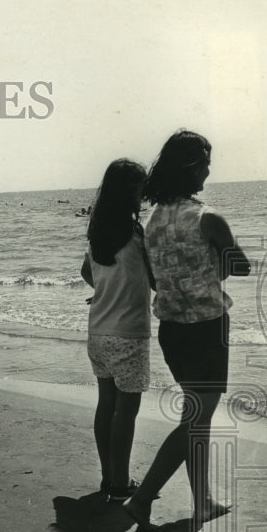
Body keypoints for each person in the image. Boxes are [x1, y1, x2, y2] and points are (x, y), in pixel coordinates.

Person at [123, 129, 251, 530]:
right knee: (197, 419)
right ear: (193, 167)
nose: (208, 173)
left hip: (173, 331)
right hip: (207, 328)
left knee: (196, 417)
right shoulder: (208, 218)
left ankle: (203, 502)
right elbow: (241, 266)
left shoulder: (151, 220)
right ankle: (142, 499)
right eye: (206, 164)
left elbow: (158, 281)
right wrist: (213, 265)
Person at [80, 159, 153, 502]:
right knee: (127, 410)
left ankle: (109, 477)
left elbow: (86, 272)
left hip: (98, 331)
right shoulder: (136, 232)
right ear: (129, 192)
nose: (145, 194)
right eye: (141, 188)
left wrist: (106, 289)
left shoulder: (97, 232)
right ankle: (121, 483)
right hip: (128, 333)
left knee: (105, 404)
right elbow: (156, 279)